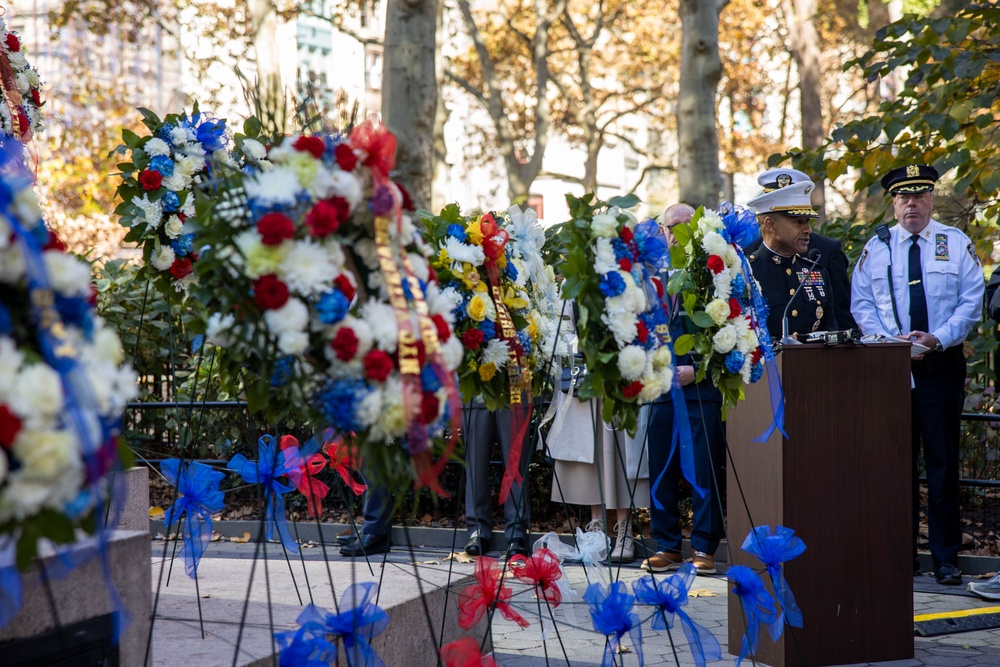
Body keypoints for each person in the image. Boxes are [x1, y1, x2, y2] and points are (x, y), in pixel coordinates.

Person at [851, 164, 984, 586]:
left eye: (919, 195)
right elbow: (861, 304)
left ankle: (945, 558)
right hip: (890, 370)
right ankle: (898, 554)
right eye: (903, 197)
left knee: (943, 463)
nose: (911, 203)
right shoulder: (876, 247)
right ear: (893, 202)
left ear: (931, 199)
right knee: (895, 465)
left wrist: (936, 339)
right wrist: (889, 343)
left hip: (940, 367)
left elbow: (971, 301)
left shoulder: (955, 243)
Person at [639, 203, 725, 576]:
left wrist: (699, 370)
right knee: (661, 467)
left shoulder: (714, 272)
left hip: (699, 388)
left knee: (704, 471)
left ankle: (704, 548)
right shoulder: (650, 276)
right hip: (662, 388)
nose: (675, 234)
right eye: (669, 227)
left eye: (684, 226)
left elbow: (727, 331)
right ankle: (668, 546)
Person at [545, 307, 650, 564]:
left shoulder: (628, 271)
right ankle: (597, 528)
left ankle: (624, 529)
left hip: (621, 375)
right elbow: (562, 329)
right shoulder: (575, 277)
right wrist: (585, 346)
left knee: (621, 452)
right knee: (591, 452)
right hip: (586, 376)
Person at [744, 168, 857, 331]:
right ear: (770, 224)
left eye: (808, 222)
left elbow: (833, 333)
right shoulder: (746, 272)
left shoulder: (816, 272)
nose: (808, 230)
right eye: (798, 222)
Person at [463, 405, 531, 558]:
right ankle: (477, 530)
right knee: (475, 466)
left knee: (516, 466)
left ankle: (517, 533)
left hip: (514, 390)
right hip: (476, 392)